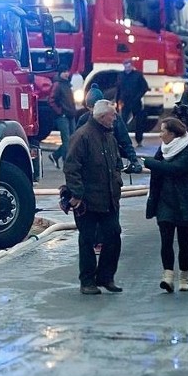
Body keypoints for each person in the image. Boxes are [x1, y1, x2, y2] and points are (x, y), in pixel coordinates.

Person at [63, 99, 124, 294]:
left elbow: (116, 164)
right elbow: (72, 168)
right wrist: (77, 194)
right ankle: (87, 281)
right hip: (88, 201)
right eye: (112, 115)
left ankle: (106, 277)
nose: (115, 118)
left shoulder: (109, 137)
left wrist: (117, 182)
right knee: (87, 240)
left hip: (109, 199)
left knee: (113, 236)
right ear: (102, 116)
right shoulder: (82, 137)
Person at [144, 117, 188, 292]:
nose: (160, 134)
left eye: (163, 131)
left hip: (184, 202)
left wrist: (148, 162)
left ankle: (184, 276)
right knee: (166, 241)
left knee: (184, 243)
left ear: (172, 133)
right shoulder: (162, 150)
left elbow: (174, 169)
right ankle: (168, 276)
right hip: (164, 201)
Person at [77, 83, 142, 173]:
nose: (93, 111)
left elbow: (124, 141)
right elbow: (77, 146)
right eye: (91, 108)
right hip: (92, 167)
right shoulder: (83, 120)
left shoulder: (114, 118)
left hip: (112, 165)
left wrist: (133, 160)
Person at [47, 64, 76, 169]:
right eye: (64, 71)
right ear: (60, 73)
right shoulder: (58, 85)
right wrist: (60, 112)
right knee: (67, 140)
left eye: (67, 71)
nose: (67, 74)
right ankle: (66, 162)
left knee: (72, 140)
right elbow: (51, 100)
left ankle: (55, 155)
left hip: (70, 115)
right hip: (63, 116)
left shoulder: (67, 84)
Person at [115, 58, 149, 147]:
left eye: (129, 65)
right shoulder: (121, 75)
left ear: (132, 66)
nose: (127, 67)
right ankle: (124, 141)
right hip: (125, 103)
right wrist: (117, 101)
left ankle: (139, 140)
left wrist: (138, 97)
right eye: (126, 65)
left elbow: (144, 87)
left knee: (139, 122)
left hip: (136, 102)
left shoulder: (137, 75)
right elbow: (118, 89)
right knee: (123, 122)